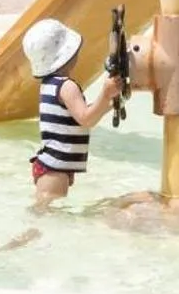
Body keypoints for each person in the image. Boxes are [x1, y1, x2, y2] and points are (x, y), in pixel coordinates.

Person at [24, 18, 121, 211]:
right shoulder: (66, 86)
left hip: (51, 166)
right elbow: (86, 119)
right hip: (55, 170)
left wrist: (111, 102)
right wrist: (105, 92)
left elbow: (78, 116)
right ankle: (18, 242)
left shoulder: (50, 85)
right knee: (45, 217)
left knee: (43, 213)